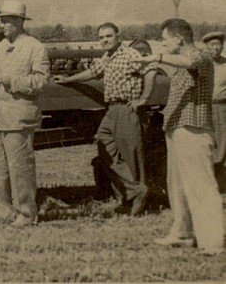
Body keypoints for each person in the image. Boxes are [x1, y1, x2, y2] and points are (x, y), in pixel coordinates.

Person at [133, 18, 223, 256]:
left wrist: (156, 58)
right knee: (178, 187)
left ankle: (212, 241)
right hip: (177, 130)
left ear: (178, 39)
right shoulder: (182, 63)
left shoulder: (200, 57)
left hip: (194, 129)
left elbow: (189, 61)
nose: (162, 46)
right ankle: (183, 234)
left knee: (201, 186)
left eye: (164, 41)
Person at [55, 23, 156, 215]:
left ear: (118, 36)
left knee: (131, 155)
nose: (105, 40)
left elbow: (150, 70)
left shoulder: (130, 54)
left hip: (127, 108)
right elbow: (93, 72)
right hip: (112, 109)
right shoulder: (107, 56)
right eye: (101, 37)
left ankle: (136, 202)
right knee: (104, 148)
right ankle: (135, 190)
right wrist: (68, 80)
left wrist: (143, 99)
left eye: (108, 36)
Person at [0, 0, 50, 226]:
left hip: (20, 116)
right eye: (2, 21)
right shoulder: (1, 47)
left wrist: (12, 80)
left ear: (20, 22)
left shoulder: (35, 47)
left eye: (7, 21)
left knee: (20, 168)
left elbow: (41, 81)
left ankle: (26, 214)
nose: (2, 25)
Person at [202, 31, 226, 191]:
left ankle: (221, 185)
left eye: (218, 44)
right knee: (205, 144)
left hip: (221, 108)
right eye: (212, 45)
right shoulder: (202, 64)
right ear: (207, 47)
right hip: (204, 108)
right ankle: (207, 183)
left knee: (222, 145)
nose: (216, 48)